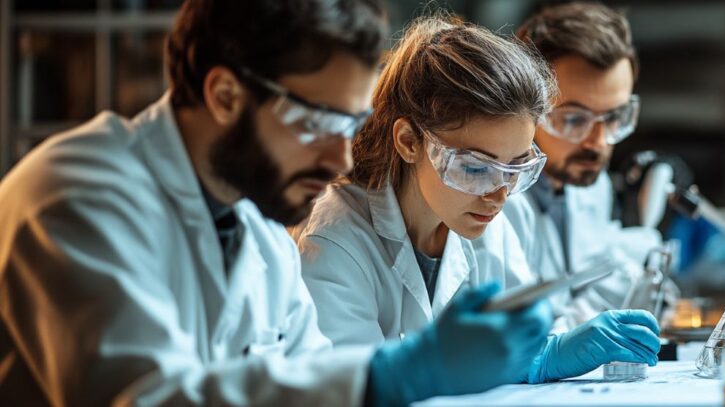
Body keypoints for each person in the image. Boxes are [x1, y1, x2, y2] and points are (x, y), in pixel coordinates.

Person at [0, 1, 552, 405]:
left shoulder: (259, 229)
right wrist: (392, 375)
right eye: (318, 122)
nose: (340, 158)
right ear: (224, 96)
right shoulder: (78, 193)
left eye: (352, 124)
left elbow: (310, 373)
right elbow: (140, 395)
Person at [297, 16, 661, 385]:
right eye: (474, 168)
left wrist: (545, 353)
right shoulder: (337, 241)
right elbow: (352, 389)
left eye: (516, 167)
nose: (498, 195)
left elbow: (514, 340)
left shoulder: (486, 217)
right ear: (409, 141)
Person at [505, 2, 664, 328]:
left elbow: (584, 290)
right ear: (525, 105)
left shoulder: (592, 186)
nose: (598, 142)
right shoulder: (490, 196)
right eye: (575, 119)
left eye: (614, 117)